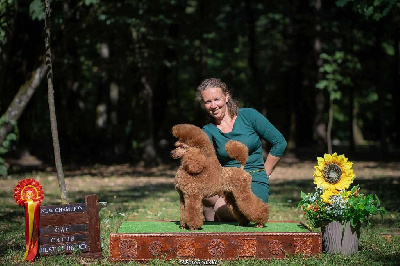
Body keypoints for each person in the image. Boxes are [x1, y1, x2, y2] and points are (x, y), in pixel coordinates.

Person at [196, 78, 287, 222]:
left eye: (217, 99)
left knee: (222, 209)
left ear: (226, 96)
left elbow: (279, 143)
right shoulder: (208, 130)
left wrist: (266, 172)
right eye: (208, 102)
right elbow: (205, 162)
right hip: (225, 183)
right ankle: (210, 238)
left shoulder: (249, 116)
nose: (213, 105)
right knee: (201, 194)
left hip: (254, 181)